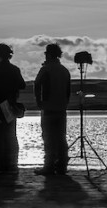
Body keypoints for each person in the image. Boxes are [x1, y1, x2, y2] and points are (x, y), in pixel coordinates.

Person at [0, 43, 26, 172]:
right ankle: (12, 164)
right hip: (10, 105)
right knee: (11, 136)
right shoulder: (14, 69)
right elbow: (22, 85)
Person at [33, 43, 71, 175]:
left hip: (48, 108)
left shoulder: (46, 69)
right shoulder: (64, 70)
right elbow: (68, 90)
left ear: (48, 54)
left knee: (48, 138)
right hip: (61, 109)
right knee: (61, 138)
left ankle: (48, 166)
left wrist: (39, 101)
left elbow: (37, 84)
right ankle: (62, 165)